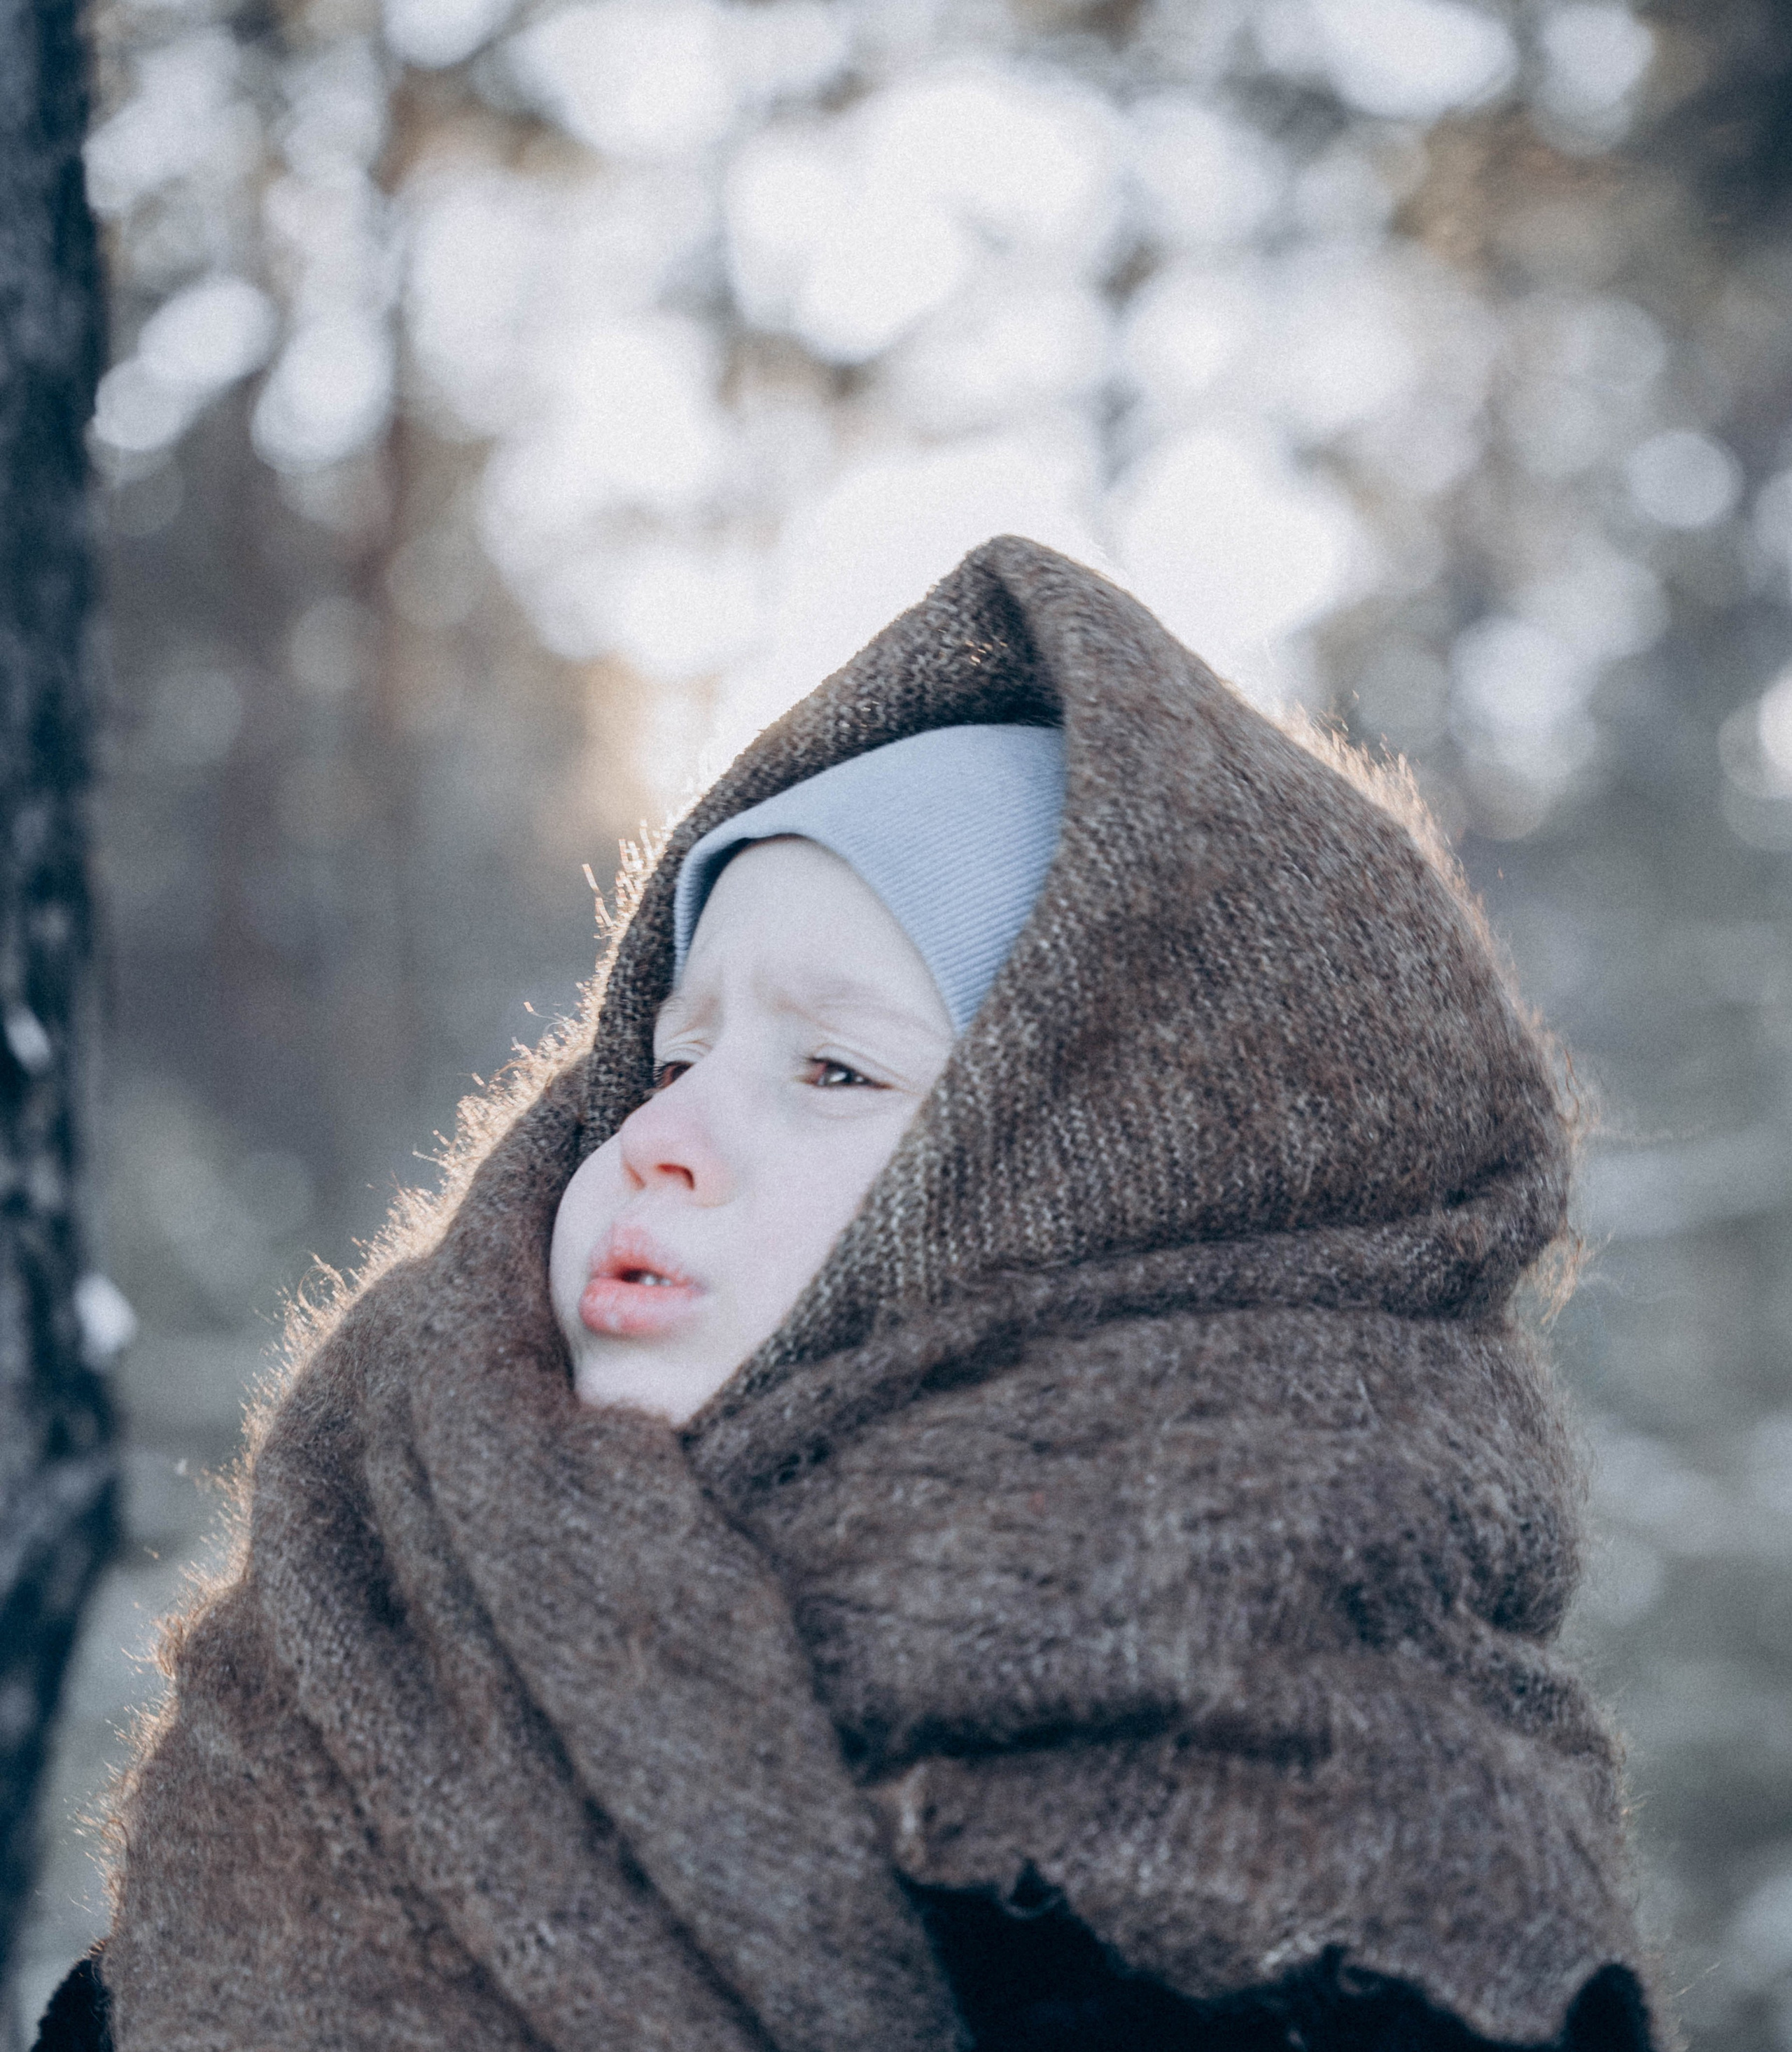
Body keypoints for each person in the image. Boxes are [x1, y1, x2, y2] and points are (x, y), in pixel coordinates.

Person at [38, 537, 1667, 2052]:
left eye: (831, 1065)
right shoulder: (357, 1654)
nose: (661, 1137)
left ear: (1116, 1199)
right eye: (673, 1053)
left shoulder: (1364, 1870)